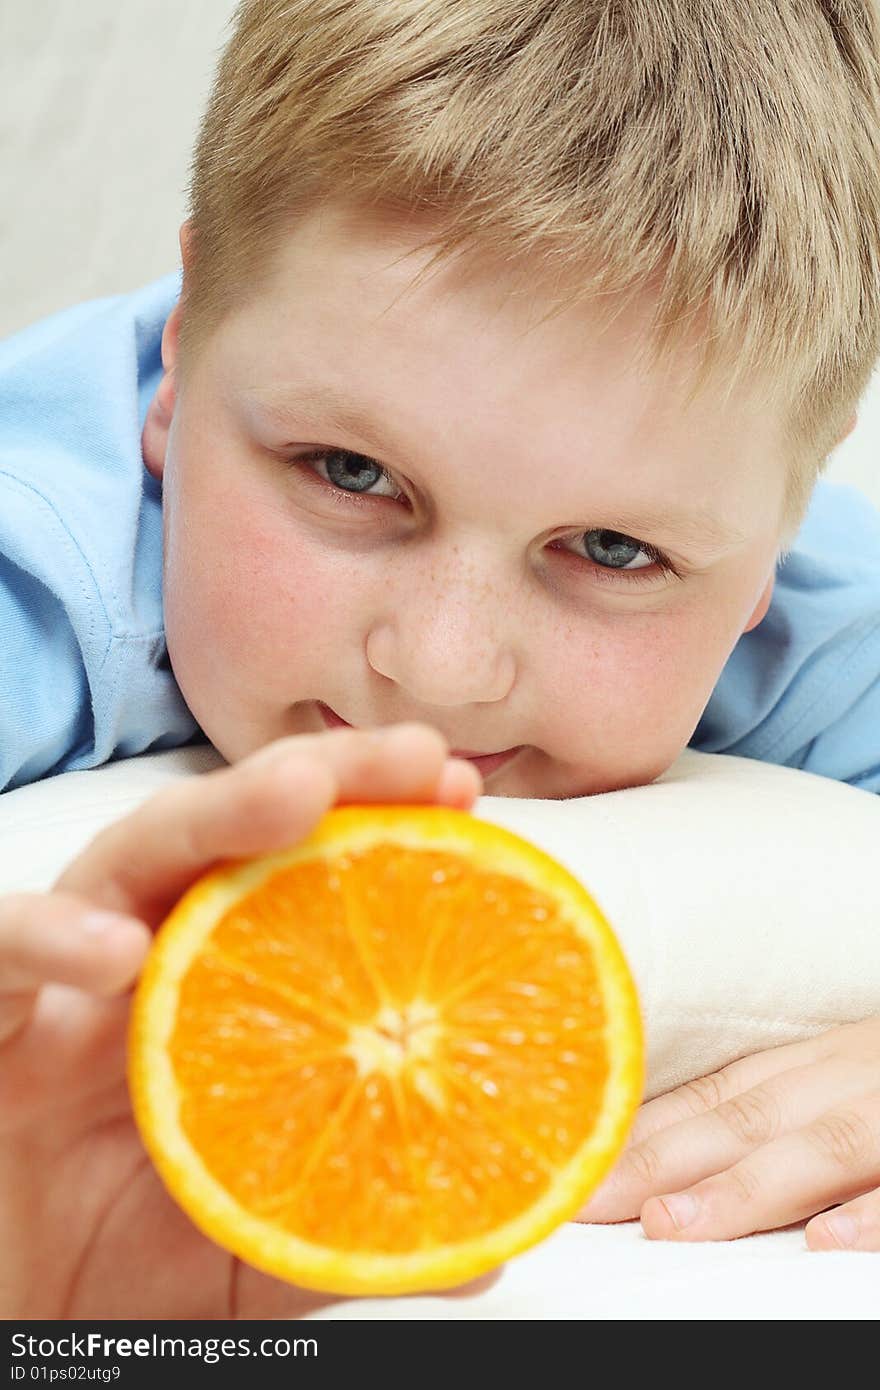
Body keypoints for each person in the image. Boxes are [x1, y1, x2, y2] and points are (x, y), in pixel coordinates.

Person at [2, 0, 880, 1316]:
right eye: (353, 474)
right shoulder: (39, 552)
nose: (444, 666)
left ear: (773, 545)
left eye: (607, 550)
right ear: (181, 352)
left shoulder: (795, 587)